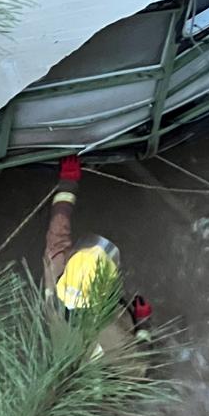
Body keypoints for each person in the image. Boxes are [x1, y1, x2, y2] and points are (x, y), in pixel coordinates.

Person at [44, 154, 152, 365]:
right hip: (102, 363)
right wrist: (143, 324)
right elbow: (139, 369)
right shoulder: (113, 338)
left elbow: (57, 238)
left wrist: (67, 185)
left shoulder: (56, 282)